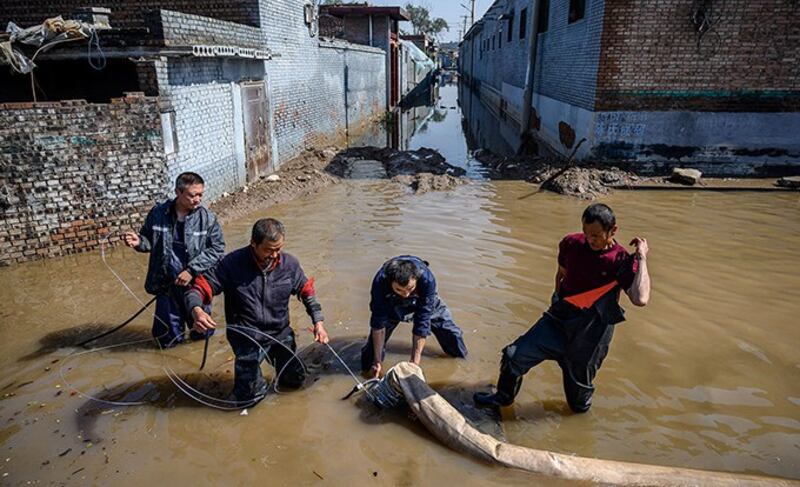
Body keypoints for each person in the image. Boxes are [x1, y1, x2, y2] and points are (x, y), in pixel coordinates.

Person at [474, 203, 650, 413]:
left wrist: (641, 257)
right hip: (559, 320)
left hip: (591, 334)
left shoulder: (621, 260)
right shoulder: (571, 243)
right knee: (514, 356)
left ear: (613, 231)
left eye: (595, 235)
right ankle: (503, 398)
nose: (589, 240)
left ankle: (579, 427)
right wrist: (557, 302)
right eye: (586, 233)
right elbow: (561, 274)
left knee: (577, 404)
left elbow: (640, 298)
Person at [186, 218, 329, 404]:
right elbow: (199, 288)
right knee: (248, 398)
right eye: (269, 250)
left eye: (279, 249)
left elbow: (307, 291)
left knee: (294, 382)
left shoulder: (290, 265)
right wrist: (197, 310)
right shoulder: (231, 264)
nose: (275, 255)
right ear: (253, 243)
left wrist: (318, 322)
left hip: (280, 333)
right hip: (247, 337)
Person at [123, 172, 224, 348]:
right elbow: (148, 239)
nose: (197, 199)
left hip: (196, 284)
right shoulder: (158, 213)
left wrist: (191, 270)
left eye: (200, 194)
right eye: (192, 195)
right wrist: (139, 242)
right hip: (167, 284)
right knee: (166, 338)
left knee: (202, 332)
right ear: (178, 192)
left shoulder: (207, 219)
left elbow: (217, 249)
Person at [361, 256, 468, 378]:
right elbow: (378, 324)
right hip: (391, 302)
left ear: (416, 279)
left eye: (410, 288)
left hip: (421, 299)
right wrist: (377, 360)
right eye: (400, 289)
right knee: (370, 355)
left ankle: (463, 362)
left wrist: (414, 364)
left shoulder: (427, 280)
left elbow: (423, 321)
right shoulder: (380, 283)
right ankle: (366, 372)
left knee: (453, 335)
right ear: (390, 282)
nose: (406, 294)